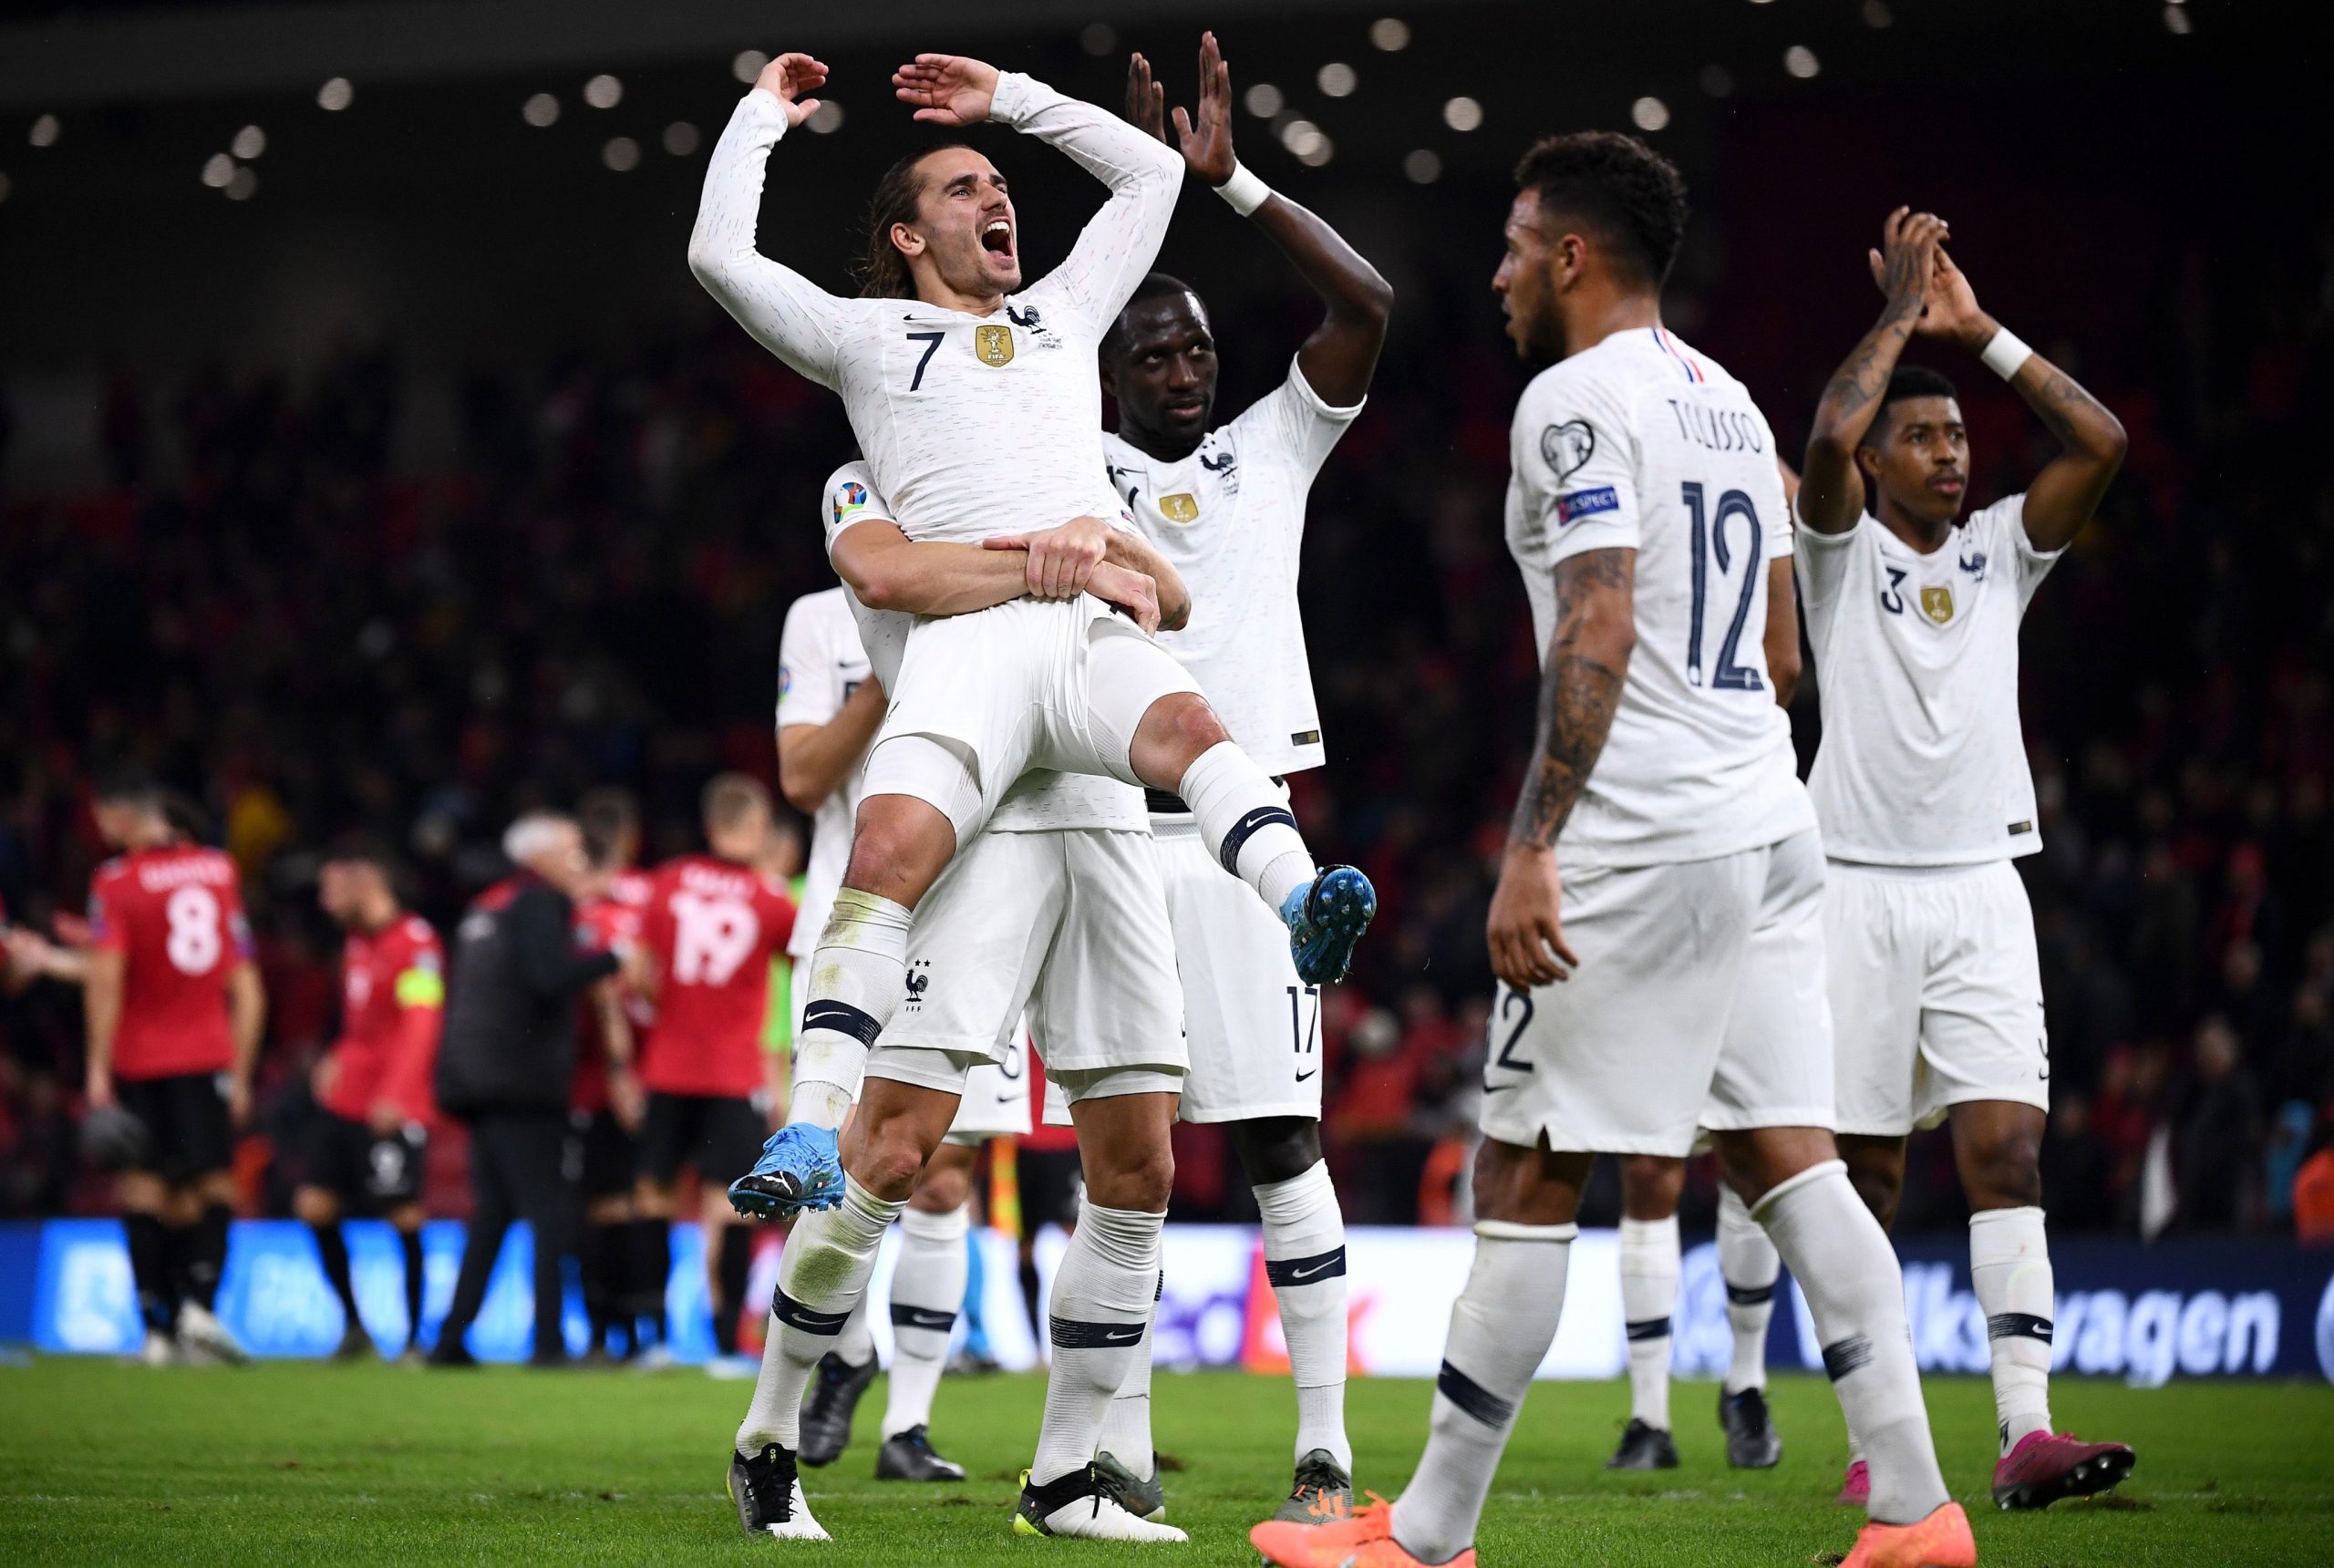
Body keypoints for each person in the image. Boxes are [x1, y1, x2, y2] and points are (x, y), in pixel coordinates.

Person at [1253, 134, 1973, 1568]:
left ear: (1573, 255)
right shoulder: (1730, 405)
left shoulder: (1572, 402)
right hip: (1769, 824)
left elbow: (1598, 618)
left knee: (1526, 1169)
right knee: (1794, 1162)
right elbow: (1783, 655)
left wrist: (1537, 846)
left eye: (1519, 246)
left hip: (1642, 842)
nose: (1502, 273)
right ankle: (1915, 1508)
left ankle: (1427, 1537)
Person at [688, 46, 1374, 1216]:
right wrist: (759, 118)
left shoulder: (1062, 314)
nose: (995, 196)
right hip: (971, 643)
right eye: (962, 188)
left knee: (1192, 726)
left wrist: (1011, 100)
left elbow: (1153, 174)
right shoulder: (862, 338)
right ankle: (810, 1122)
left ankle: (1302, 901)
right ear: (908, 236)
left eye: (998, 183)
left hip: (1082, 626)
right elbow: (718, 258)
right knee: (882, 850)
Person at [724, 464, 1194, 1543]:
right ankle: (767, 1437)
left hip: (1106, 825)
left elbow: (1168, 603)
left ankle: (1062, 1475)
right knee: (891, 1154)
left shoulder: (1068, 458)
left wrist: (1099, 544)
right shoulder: (871, 477)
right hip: (959, 850)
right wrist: (1054, 559)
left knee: (1138, 1167)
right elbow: (889, 578)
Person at [1081, 36, 1390, 1523]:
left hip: (1244, 844)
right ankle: (1118, 1453)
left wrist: (1231, 183)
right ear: (1108, 375)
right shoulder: (1068, 471)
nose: (1183, 370)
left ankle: (1326, 1447)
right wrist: (1131, 197)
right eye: (1152, 355)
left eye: (1196, 348)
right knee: (1126, 1160)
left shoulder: (1272, 447)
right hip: (1103, 837)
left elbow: (1367, 305)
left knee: (1281, 1141)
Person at [1793, 208, 2133, 1511]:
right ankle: (1878, 1444)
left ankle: (2025, 1432)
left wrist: (1978, 330)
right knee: (1865, 1178)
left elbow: (2100, 442)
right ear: (1880, 460)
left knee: (2007, 1155)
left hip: (1985, 890)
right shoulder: (1838, 551)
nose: (1950, 452)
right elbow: (1824, 438)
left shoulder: (1999, 550)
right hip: (1855, 890)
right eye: (1924, 437)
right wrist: (1895, 318)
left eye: (1956, 436)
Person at [774, 582, 1029, 1484]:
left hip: (981, 927)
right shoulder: (822, 617)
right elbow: (802, 779)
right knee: (830, 1162)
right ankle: (847, 1352)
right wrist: (895, 671)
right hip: (850, 923)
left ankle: (908, 1428)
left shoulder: (1007, 601)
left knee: (943, 1178)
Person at [81, 770, 265, 1367]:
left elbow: (107, 978)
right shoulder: (218, 871)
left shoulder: (114, 881)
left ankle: (157, 1332)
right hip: (207, 1052)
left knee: (143, 1189)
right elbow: (246, 985)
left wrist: (97, 1066)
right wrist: (241, 1072)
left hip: (139, 1056)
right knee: (210, 1187)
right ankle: (199, 1312)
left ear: (121, 815)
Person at [429, 813, 621, 1367]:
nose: (579, 863)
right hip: (521, 1082)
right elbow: (548, 976)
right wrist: (614, 960)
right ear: (539, 858)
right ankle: (548, 1343)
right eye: (571, 852)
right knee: (549, 1211)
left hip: (473, 1077)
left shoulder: (488, 905)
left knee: (492, 1213)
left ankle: (450, 1338)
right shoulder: (539, 902)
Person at [630, 774, 797, 1377]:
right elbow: (806, 966)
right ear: (757, 826)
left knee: (652, 1195)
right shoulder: (770, 898)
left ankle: (652, 1340)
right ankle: (726, 1346)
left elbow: (637, 977)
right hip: (732, 1073)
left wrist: (675, 1015)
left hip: (667, 1066)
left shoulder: (666, 883)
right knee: (727, 1207)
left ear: (709, 824)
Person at [296, 838, 443, 1363]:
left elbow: (422, 1023)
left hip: (390, 1103)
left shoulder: (416, 942)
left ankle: (414, 1340)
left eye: (333, 889)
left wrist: (396, 1095)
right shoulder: (358, 943)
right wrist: (336, 1056)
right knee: (314, 1206)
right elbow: (362, 1024)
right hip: (345, 1100)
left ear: (367, 881)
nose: (325, 901)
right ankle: (355, 1326)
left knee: (403, 1214)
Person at [572, 789, 656, 1363]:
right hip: (655, 1072)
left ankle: (605, 1332)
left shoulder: (581, 910)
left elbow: (603, 997)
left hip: (595, 1077)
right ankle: (643, 1331)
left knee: (601, 1204)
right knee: (642, 1199)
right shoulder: (652, 899)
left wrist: (619, 1069)